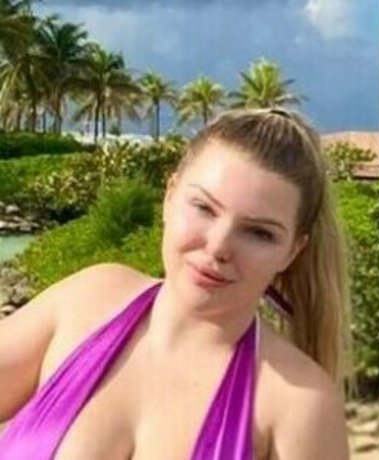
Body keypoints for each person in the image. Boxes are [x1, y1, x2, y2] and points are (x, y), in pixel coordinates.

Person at [0, 108, 351, 459]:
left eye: (259, 233)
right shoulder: (88, 301)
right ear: (169, 197)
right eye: (204, 208)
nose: (218, 246)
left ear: (292, 252)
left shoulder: (299, 404)